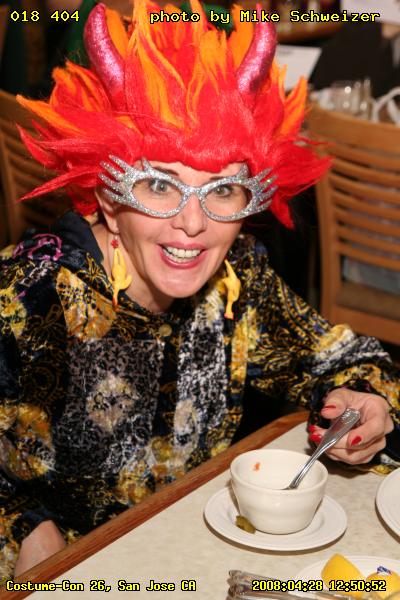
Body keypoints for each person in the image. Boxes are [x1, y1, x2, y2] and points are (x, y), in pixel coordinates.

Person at [0, 0, 399, 581]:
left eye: (222, 190)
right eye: (159, 186)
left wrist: (365, 402)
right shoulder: (29, 296)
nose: (193, 224)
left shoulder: (237, 280)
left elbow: (348, 359)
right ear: (108, 196)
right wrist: (25, 530)